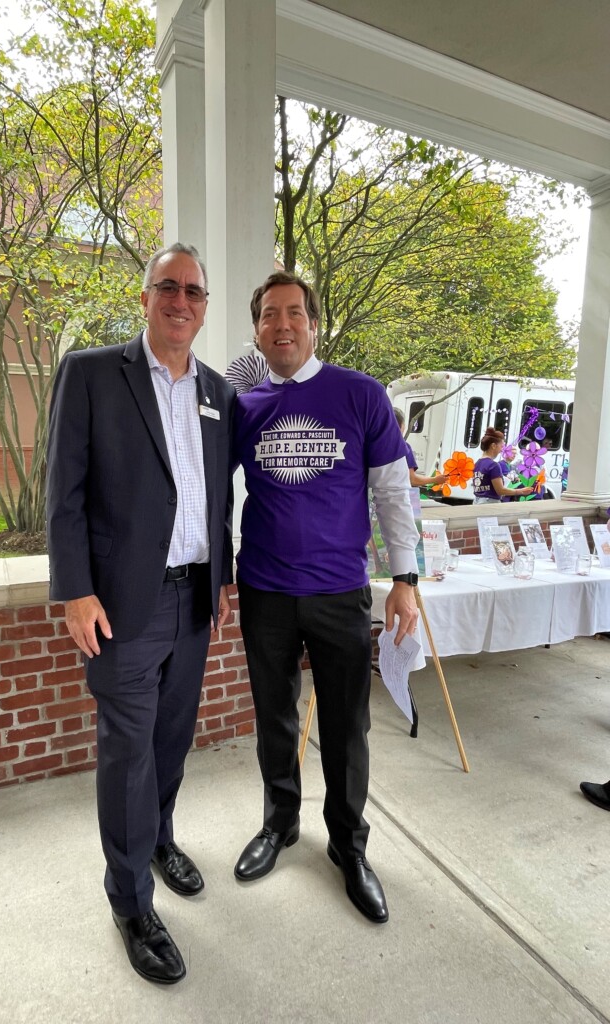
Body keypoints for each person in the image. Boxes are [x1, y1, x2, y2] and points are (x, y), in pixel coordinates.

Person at [46, 242, 235, 986]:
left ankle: (157, 838)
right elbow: (62, 491)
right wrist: (74, 589)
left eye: (194, 290)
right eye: (168, 286)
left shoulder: (217, 390)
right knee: (128, 752)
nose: (181, 300)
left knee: (171, 738)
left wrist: (219, 573)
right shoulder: (94, 374)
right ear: (147, 295)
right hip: (123, 602)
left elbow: (216, 493)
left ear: (204, 305)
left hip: (195, 596)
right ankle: (130, 903)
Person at [232, 270, 420, 925]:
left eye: (294, 313)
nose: (281, 324)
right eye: (268, 316)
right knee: (276, 720)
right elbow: (190, 472)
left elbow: (395, 492)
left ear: (314, 323)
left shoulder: (361, 395)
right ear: (256, 331)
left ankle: (349, 846)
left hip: (341, 594)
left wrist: (405, 579)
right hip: (264, 591)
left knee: (346, 729)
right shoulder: (245, 405)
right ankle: (279, 824)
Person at [472, 427, 534, 503]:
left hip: (477, 501)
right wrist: (520, 491)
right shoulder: (493, 465)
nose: (501, 450)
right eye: (501, 446)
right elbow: (500, 490)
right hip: (490, 503)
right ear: (493, 446)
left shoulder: (477, 464)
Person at [393, 407, 448, 489]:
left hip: (376, 499)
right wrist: (435, 480)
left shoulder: (374, 447)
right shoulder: (403, 448)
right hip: (398, 499)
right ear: (401, 426)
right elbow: (412, 480)